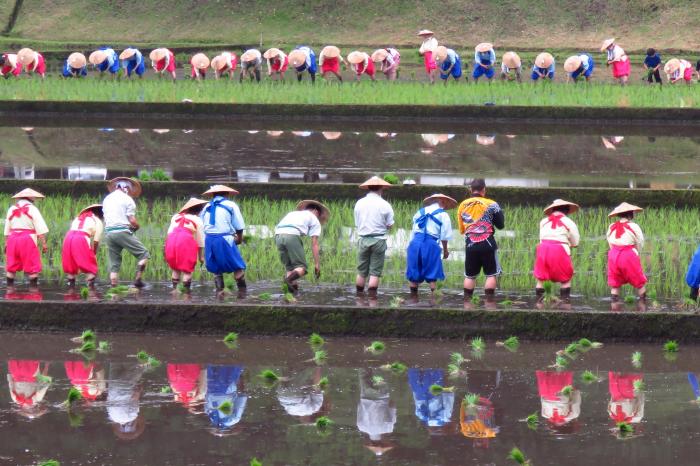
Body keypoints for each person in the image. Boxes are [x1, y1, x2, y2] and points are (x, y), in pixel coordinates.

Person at [458, 178, 505, 301]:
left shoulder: (462, 205)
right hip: (488, 243)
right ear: (484, 189)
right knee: (491, 274)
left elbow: (463, 229)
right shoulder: (492, 204)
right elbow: (501, 225)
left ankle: (467, 303)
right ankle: (489, 304)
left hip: (470, 244)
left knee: (470, 276)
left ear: (470, 190)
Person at [102, 177, 149, 287]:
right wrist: (137, 226)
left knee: (114, 264)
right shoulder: (128, 200)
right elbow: (132, 220)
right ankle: (138, 280)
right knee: (144, 254)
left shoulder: (107, 199)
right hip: (121, 232)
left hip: (109, 233)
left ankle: (114, 288)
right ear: (126, 188)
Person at [200, 185, 247, 296]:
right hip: (224, 239)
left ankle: (219, 294)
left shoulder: (207, 206)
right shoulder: (230, 205)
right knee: (237, 267)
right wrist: (239, 238)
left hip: (209, 239)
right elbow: (239, 225)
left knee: (216, 269)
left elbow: (202, 224)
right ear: (226, 194)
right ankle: (243, 294)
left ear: (213, 194)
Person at [274, 200, 329, 293]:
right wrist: (317, 265)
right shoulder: (314, 218)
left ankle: (290, 296)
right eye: (319, 215)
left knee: (290, 269)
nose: (318, 218)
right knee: (302, 268)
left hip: (278, 236)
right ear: (316, 211)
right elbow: (314, 244)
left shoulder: (293, 214)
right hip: (291, 235)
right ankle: (287, 281)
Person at [405, 193, 455, 295]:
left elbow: (414, 231)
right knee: (432, 274)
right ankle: (434, 300)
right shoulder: (443, 215)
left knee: (414, 273)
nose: (446, 205)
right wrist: (445, 250)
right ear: (442, 201)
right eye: (446, 202)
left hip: (414, 244)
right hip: (430, 244)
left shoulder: (420, 212)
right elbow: (444, 237)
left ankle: (413, 299)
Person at [354, 176, 395, 297]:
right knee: (375, 272)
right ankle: (372, 301)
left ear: (368, 188)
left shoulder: (359, 203)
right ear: (381, 188)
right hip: (378, 240)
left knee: (361, 271)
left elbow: (357, 223)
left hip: (363, 239)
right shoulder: (385, 204)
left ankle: (359, 298)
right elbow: (390, 225)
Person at [533, 199, 580, 303]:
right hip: (559, 250)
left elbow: (541, 239)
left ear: (553, 210)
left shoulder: (543, 221)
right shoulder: (569, 222)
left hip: (543, 249)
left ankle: (539, 304)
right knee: (566, 279)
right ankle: (565, 304)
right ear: (567, 211)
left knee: (541, 279)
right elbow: (575, 242)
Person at [4, 188, 48, 287]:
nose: (34, 199)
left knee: (11, 266)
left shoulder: (11, 208)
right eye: (33, 197)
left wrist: (6, 243)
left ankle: (9, 292)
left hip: (12, 238)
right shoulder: (33, 209)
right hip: (27, 239)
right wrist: (44, 244)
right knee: (33, 267)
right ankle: (33, 294)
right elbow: (40, 228)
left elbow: (7, 229)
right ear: (30, 198)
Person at [606, 202, 647, 305]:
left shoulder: (612, 226)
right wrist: (635, 252)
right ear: (630, 214)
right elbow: (640, 242)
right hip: (628, 254)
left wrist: (615, 252)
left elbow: (610, 242)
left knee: (615, 285)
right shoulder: (634, 226)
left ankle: (614, 308)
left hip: (613, 255)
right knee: (639, 283)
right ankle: (643, 307)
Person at [165, 198, 207, 291]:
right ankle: (185, 293)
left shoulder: (175, 217)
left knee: (175, 269)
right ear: (199, 210)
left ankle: (175, 290)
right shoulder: (197, 219)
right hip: (185, 242)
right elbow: (200, 241)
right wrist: (201, 257)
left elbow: (169, 233)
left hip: (171, 241)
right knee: (187, 270)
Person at [61, 204, 104, 290]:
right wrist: (93, 253)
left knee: (71, 268)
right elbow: (96, 240)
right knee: (90, 269)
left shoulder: (78, 217)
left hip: (68, 238)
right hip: (80, 239)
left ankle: (71, 293)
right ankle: (91, 293)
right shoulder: (97, 221)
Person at [357, 369, 396, 456]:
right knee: (363, 371)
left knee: (380, 368)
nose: (389, 441)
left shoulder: (388, 428)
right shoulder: (361, 427)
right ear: (371, 442)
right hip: (365, 397)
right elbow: (359, 406)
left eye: (387, 443)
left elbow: (392, 406)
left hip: (382, 396)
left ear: (382, 442)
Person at [107, 362, 146, 441]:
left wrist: (140, 388)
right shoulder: (112, 416)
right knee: (115, 360)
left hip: (125, 385)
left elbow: (135, 395)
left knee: (139, 365)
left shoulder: (132, 416)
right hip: (112, 384)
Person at [206, 365, 247, 434]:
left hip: (226, 388)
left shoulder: (234, 420)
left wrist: (240, 376)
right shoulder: (211, 418)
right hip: (210, 388)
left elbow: (242, 397)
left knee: (233, 363)